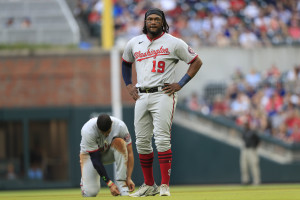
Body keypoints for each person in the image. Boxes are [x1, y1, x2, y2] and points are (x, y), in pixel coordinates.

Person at [121, 8, 202, 197]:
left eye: (157, 19)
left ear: (163, 22)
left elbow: (196, 61)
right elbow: (126, 62)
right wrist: (128, 85)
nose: (153, 22)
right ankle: (149, 184)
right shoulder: (135, 42)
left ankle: (165, 185)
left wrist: (180, 83)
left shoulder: (174, 42)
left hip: (163, 94)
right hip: (141, 95)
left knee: (162, 139)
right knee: (141, 142)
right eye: (150, 19)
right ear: (145, 22)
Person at [79, 114, 135, 197]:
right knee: (91, 193)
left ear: (112, 123)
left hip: (108, 152)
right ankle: (85, 182)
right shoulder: (88, 130)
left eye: (108, 132)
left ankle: (122, 184)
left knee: (120, 143)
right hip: (90, 156)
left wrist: (129, 177)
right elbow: (96, 160)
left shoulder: (120, 126)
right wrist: (109, 183)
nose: (105, 134)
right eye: (102, 132)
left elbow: (130, 153)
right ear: (97, 127)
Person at [240, 120, 261, 185]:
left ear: (249, 125)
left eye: (246, 124)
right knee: (244, 166)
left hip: (252, 149)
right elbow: (243, 140)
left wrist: (255, 147)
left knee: (254, 165)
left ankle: (257, 181)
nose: (245, 126)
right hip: (245, 149)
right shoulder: (244, 132)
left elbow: (258, 141)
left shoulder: (252, 132)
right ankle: (245, 180)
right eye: (244, 124)